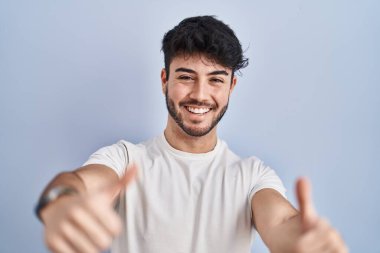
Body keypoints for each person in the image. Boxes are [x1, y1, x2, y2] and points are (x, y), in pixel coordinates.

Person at [36, 16, 348, 253]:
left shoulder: (252, 176)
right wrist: (61, 202)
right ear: (164, 80)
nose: (200, 94)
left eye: (215, 80)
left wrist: (303, 239)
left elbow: (281, 222)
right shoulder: (125, 158)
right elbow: (77, 183)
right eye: (186, 77)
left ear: (231, 87)